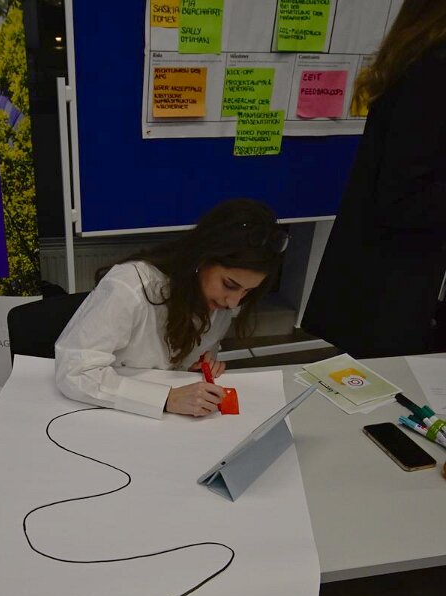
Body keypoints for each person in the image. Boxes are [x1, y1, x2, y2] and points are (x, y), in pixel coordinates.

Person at [301, 0, 446, 358]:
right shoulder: (432, 68)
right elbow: (402, 197)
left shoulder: (416, 59)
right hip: (389, 282)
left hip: (386, 277)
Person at [55, 198, 288, 418]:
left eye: (247, 291)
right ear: (202, 258)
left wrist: (194, 369)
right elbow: (75, 372)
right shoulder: (131, 286)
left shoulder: (219, 304)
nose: (233, 303)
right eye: (229, 284)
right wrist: (167, 398)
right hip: (101, 413)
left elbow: (177, 364)